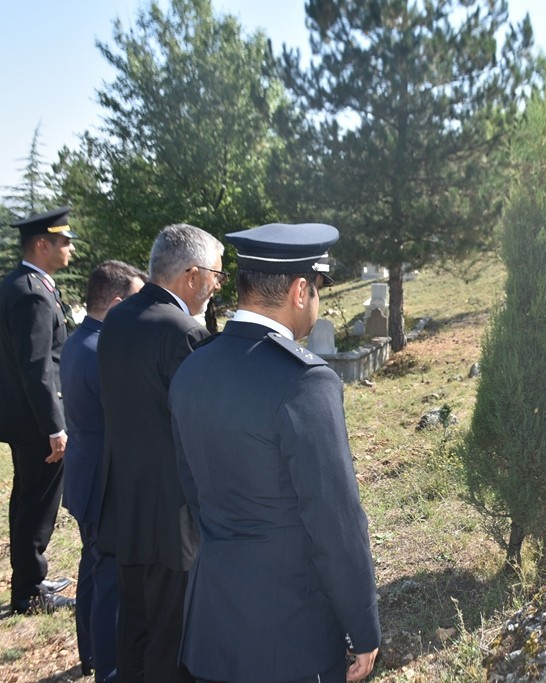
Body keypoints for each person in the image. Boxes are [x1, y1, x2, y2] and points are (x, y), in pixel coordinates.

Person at [169, 223, 380, 683]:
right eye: (318, 288)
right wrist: (363, 625)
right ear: (300, 291)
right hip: (289, 635)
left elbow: (193, 489)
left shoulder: (192, 369)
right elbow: (336, 522)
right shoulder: (304, 382)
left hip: (212, 623)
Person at [96, 223, 225, 683]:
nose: (217, 286)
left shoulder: (117, 318)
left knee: (134, 630)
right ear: (192, 276)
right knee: (174, 640)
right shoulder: (183, 332)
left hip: (126, 505)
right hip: (173, 517)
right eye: (216, 275)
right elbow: (204, 428)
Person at [61, 260, 147, 681]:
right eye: (135, 302)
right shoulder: (103, 352)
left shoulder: (80, 340)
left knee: (94, 569)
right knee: (110, 578)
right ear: (115, 304)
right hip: (103, 479)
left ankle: (93, 653)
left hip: (84, 472)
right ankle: (110, 669)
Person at [0, 206, 78, 615]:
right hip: (36, 423)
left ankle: (29, 579)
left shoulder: (22, 283)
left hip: (25, 418)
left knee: (27, 501)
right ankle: (29, 592)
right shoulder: (32, 292)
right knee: (37, 505)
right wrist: (55, 427)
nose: (70, 248)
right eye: (64, 241)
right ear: (42, 244)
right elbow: (37, 367)